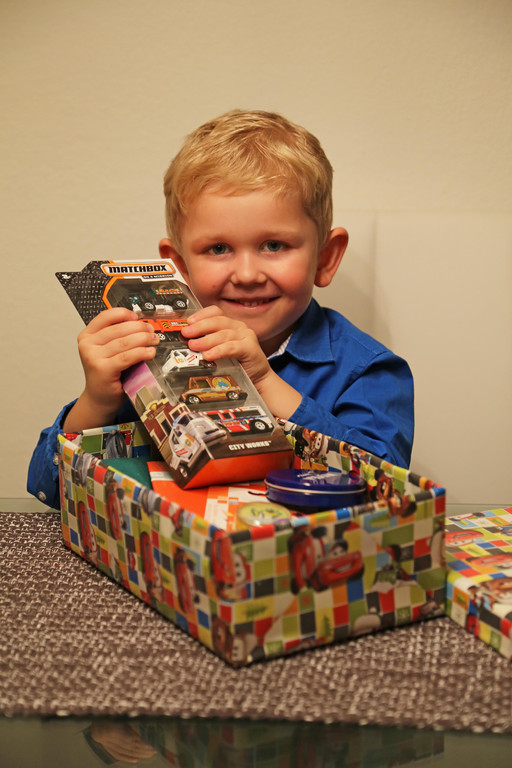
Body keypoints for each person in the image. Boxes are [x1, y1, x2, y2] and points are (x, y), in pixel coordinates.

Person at [28, 109, 414, 509]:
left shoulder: (368, 371)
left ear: (325, 258)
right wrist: (97, 401)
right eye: (218, 248)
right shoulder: (150, 357)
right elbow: (50, 490)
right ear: (179, 266)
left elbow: (388, 492)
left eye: (274, 245)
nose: (246, 274)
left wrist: (262, 381)